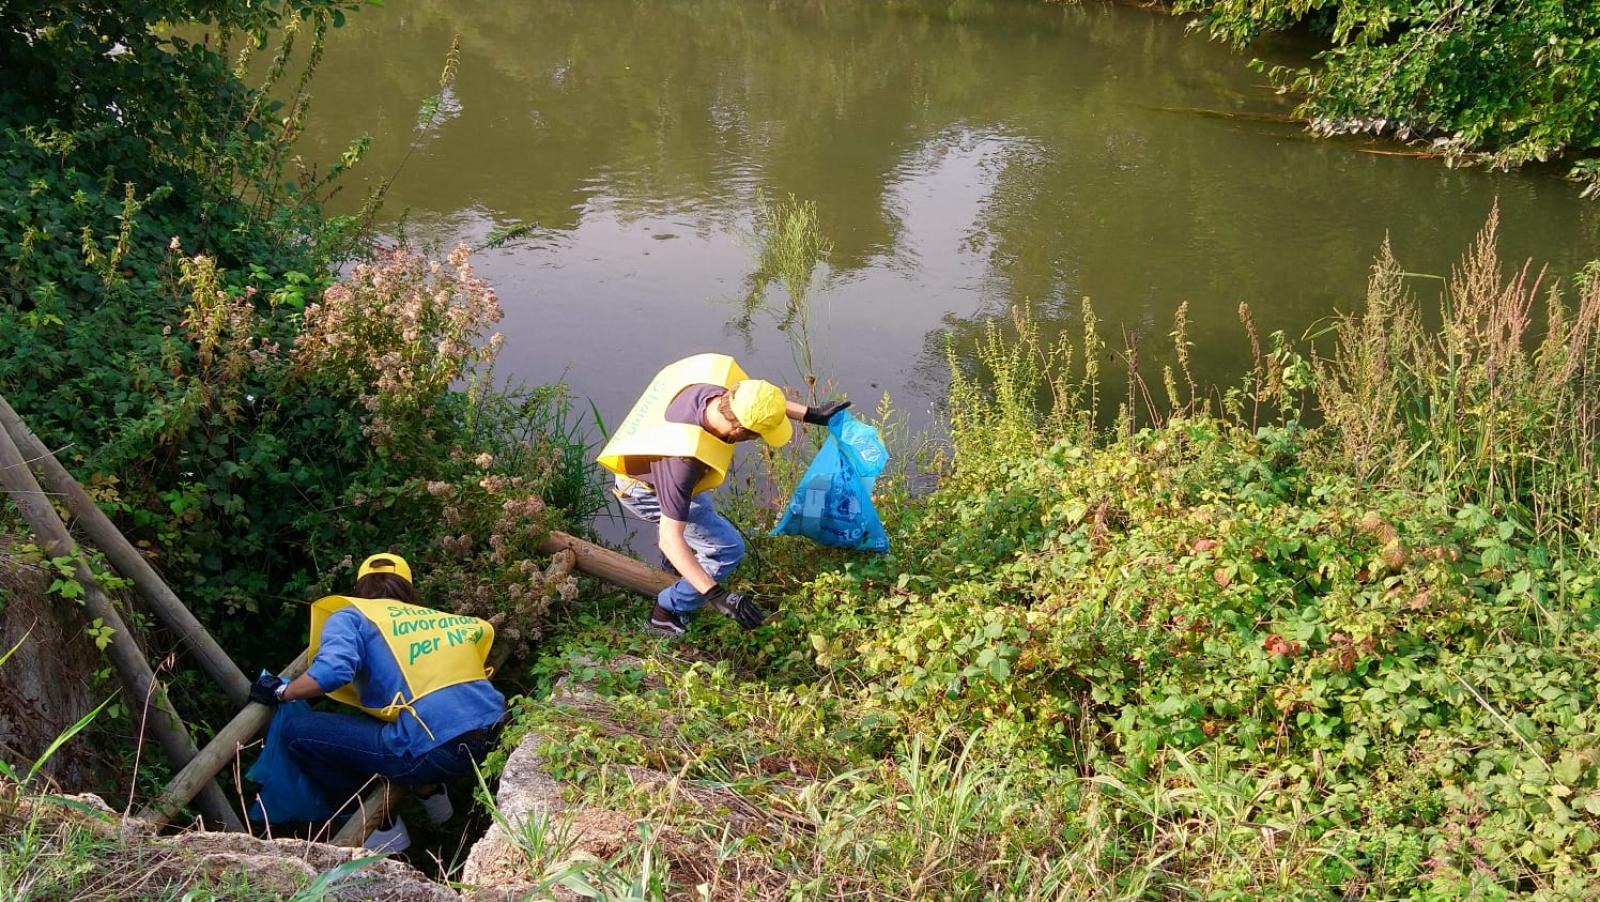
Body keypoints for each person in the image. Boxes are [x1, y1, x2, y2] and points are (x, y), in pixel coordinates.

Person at [249, 553, 505, 853]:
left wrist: (281, 691)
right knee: (404, 717)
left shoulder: (352, 616)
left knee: (297, 732)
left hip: (434, 753)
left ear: (359, 588)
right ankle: (431, 793)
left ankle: (381, 827)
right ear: (408, 588)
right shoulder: (438, 620)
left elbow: (332, 673)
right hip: (493, 737)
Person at [597, 353, 850, 636]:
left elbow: (759, 402)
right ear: (740, 430)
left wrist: (810, 413)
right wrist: (717, 595)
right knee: (726, 549)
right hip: (645, 489)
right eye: (759, 435)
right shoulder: (683, 462)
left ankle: (677, 572)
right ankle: (665, 611)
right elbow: (669, 538)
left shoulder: (722, 392)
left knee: (695, 529)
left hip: (655, 467)